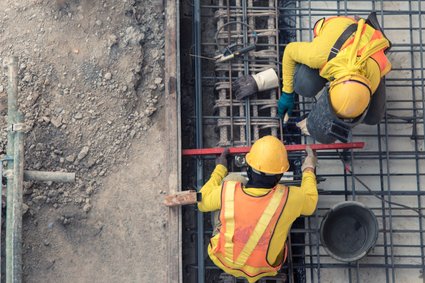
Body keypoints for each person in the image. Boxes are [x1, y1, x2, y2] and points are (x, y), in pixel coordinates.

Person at [197, 135, 318, 283]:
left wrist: (220, 168)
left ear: (249, 169)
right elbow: (311, 203)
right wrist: (309, 169)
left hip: (223, 259)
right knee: (285, 214)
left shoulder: (229, 191)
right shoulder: (290, 198)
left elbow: (201, 202)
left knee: (232, 180)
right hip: (265, 268)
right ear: (279, 176)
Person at [277, 12, 392, 143]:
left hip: (370, 48)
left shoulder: (374, 76)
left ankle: (373, 31)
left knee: (373, 117)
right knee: (303, 86)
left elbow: (350, 103)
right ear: (331, 86)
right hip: (339, 33)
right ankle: (363, 23)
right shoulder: (319, 55)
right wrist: (287, 92)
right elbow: (289, 51)